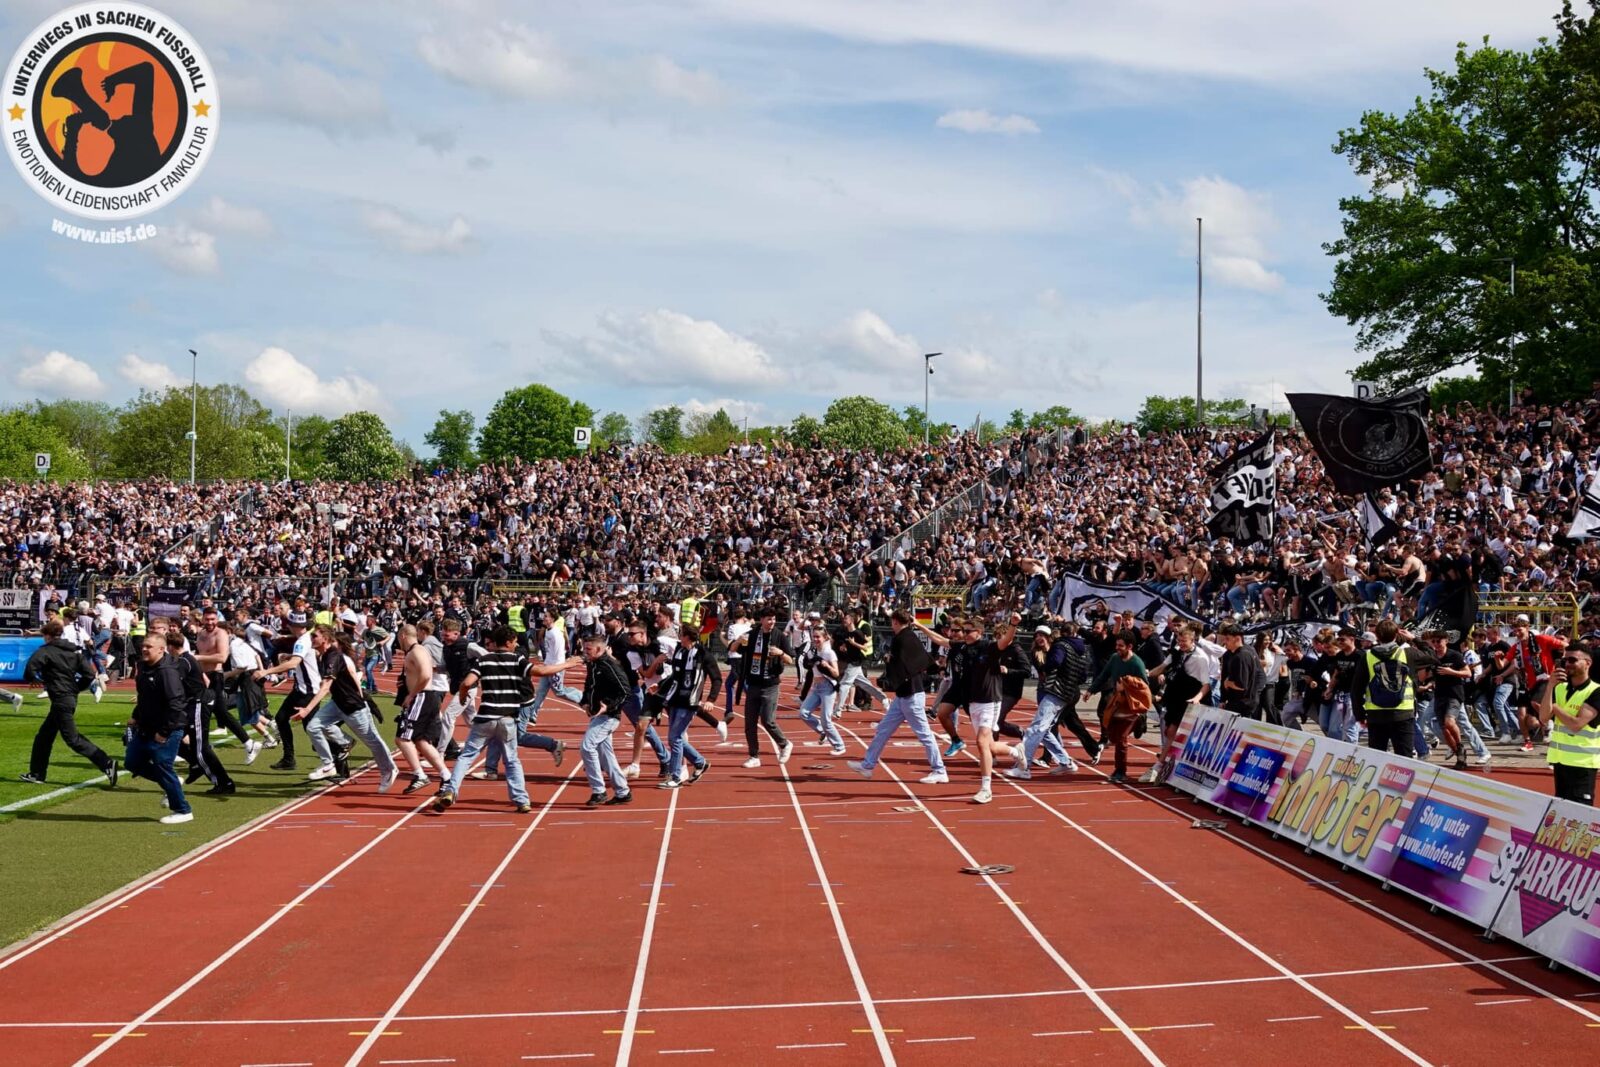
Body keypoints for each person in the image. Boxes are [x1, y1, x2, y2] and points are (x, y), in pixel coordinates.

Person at [435, 627, 555, 814]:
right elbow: (541, 671)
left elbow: (466, 683)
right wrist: (569, 663)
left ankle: (451, 790)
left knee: (466, 757)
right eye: (515, 641)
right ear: (508, 642)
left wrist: (462, 696)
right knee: (512, 761)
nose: (517, 644)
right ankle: (521, 800)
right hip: (507, 718)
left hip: (485, 718)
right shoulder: (517, 659)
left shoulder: (483, 661)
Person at [847, 610, 948, 784]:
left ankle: (939, 770)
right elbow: (923, 660)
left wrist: (889, 669)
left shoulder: (900, 639)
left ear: (895, 621)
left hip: (911, 696)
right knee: (883, 730)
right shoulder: (910, 637)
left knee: (924, 734)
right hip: (904, 696)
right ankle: (867, 765)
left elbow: (901, 665)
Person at [20, 618, 117, 787]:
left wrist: (34, 679)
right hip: (69, 697)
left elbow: (29, 670)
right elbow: (88, 674)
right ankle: (37, 773)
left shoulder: (45, 651)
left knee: (73, 739)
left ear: (47, 636)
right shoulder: (74, 652)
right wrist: (76, 689)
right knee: (44, 737)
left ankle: (106, 763)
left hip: (60, 699)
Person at [300, 626, 399, 792]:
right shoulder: (324, 656)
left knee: (372, 741)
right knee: (313, 726)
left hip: (353, 707)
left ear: (325, 638)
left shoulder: (335, 657)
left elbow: (328, 687)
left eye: (314, 636)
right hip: (337, 703)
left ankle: (389, 769)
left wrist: (306, 709)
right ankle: (329, 763)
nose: (312, 639)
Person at [126, 633, 193, 824]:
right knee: (132, 762)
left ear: (161, 649)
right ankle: (170, 783)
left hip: (167, 729)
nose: (144, 649)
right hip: (146, 726)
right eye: (144, 646)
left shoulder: (167, 672)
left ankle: (183, 810)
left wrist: (164, 732)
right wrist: (136, 716)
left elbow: (176, 704)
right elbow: (145, 697)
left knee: (163, 766)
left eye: (149, 647)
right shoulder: (143, 667)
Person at [1008, 624, 1085, 779]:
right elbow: (1082, 675)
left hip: (1056, 692)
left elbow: (1054, 663)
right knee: (1045, 730)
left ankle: (1024, 766)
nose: (1038, 638)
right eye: (1036, 635)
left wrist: (1048, 670)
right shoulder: (1074, 649)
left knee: (1036, 728)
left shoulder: (1059, 647)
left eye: (1042, 635)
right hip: (1066, 694)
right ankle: (1065, 762)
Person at [168, 629, 235, 796]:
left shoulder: (183, 662)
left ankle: (223, 782)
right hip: (195, 704)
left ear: (170, 647)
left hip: (198, 704)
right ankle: (196, 765)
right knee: (172, 737)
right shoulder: (187, 659)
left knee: (200, 748)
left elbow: (174, 684)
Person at [1141, 623, 1211, 783]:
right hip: (1176, 695)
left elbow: (1206, 684)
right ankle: (1169, 763)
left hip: (1190, 696)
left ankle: (1160, 765)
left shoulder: (1200, 658)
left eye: (1184, 641)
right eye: (1179, 641)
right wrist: (1147, 673)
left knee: (1174, 731)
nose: (1181, 644)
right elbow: (1163, 667)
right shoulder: (1177, 652)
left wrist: (1197, 698)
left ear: (1192, 640)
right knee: (1169, 731)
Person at [730, 607, 795, 769]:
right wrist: (738, 640)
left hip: (770, 685)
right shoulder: (752, 635)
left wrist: (780, 653)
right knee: (750, 723)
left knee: (767, 720)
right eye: (769, 619)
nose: (772, 622)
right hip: (753, 684)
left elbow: (790, 660)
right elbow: (732, 649)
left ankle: (784, 743)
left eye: (773, 619)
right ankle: (754, 756)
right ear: (762, 620)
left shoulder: (779, 636)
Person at [575, 632, 634, 806]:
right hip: (597, 716)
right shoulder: (593, 664)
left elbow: (625, 692)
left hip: (608, 717)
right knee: (606, 755)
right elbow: (589, 685)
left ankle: (599, 791)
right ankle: (623, 792)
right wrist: (585, 702)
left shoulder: (609, 666)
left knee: (587, 747)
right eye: (584, 648)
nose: (585, 652)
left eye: (588, 649)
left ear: (599, 649)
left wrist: (608, 706)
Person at [1536, 643, 1600, 805]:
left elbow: (1576, 725)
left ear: (1588, 663)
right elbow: (1543, 718)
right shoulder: (1559, 688)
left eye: (1573, 660)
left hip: (1583, 764)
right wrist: (1550, 686)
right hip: (1561, 761)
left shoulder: (1595, 691)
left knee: (1580, 813)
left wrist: (1555, 707)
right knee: (1562, 809)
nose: (1568, 664)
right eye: (1564, 660)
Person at [255, 612, 319, 772]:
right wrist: (289, 655)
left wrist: (266, 672)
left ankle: (340, 748)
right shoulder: (304, 640)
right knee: (282, 719)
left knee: (312, 729)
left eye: (289, 624)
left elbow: (293, 664)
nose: (287, 626)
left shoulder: (302, 642)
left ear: (294, 626)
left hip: (307, 691)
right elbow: (303, 657)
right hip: (301, 690)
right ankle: (288, 758)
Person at [393, 623, 452, 794]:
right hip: (425, 697)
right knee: (421, 741)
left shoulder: (417, 650)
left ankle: (419, 775)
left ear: (403, 635)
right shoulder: (415, 651)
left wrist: (411, 695)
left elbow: (426, 674)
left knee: (402, 738)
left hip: (422, 697)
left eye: (399, 637)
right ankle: (447, 777)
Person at [655, 625, 713, 789]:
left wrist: (711, 699)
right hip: (675, 698)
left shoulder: (702, 653)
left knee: (674, 738)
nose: (679, 636)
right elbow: (676, 674)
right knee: (676, 738)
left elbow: (716, 677)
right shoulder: (681, 651)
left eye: (681, 634)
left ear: (687, 636)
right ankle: (700, 762)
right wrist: (661, 685)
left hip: (689, 701)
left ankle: (675, 776)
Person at [796, 628, 846, 755]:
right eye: (814, 637)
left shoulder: (829, 653)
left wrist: (827, 665)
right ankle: (822, 731)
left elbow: (836, 673)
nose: (816, 639)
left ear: (825, 638)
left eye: (818, 637)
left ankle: (839, 746)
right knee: (803, 712)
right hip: (816, 687)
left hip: (827, 688)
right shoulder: (812, 652)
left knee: (826, 720)